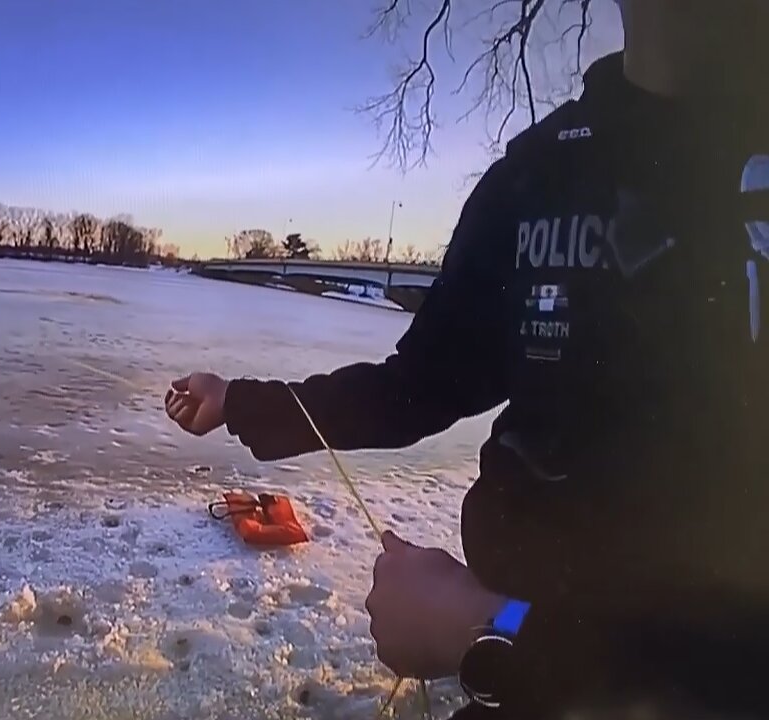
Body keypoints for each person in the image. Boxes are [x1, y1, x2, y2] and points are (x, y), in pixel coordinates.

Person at [165, 1, 768, 717]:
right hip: (519, 646)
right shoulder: (539, 174)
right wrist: (237, 401)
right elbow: (418, 386)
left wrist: (476, 631)